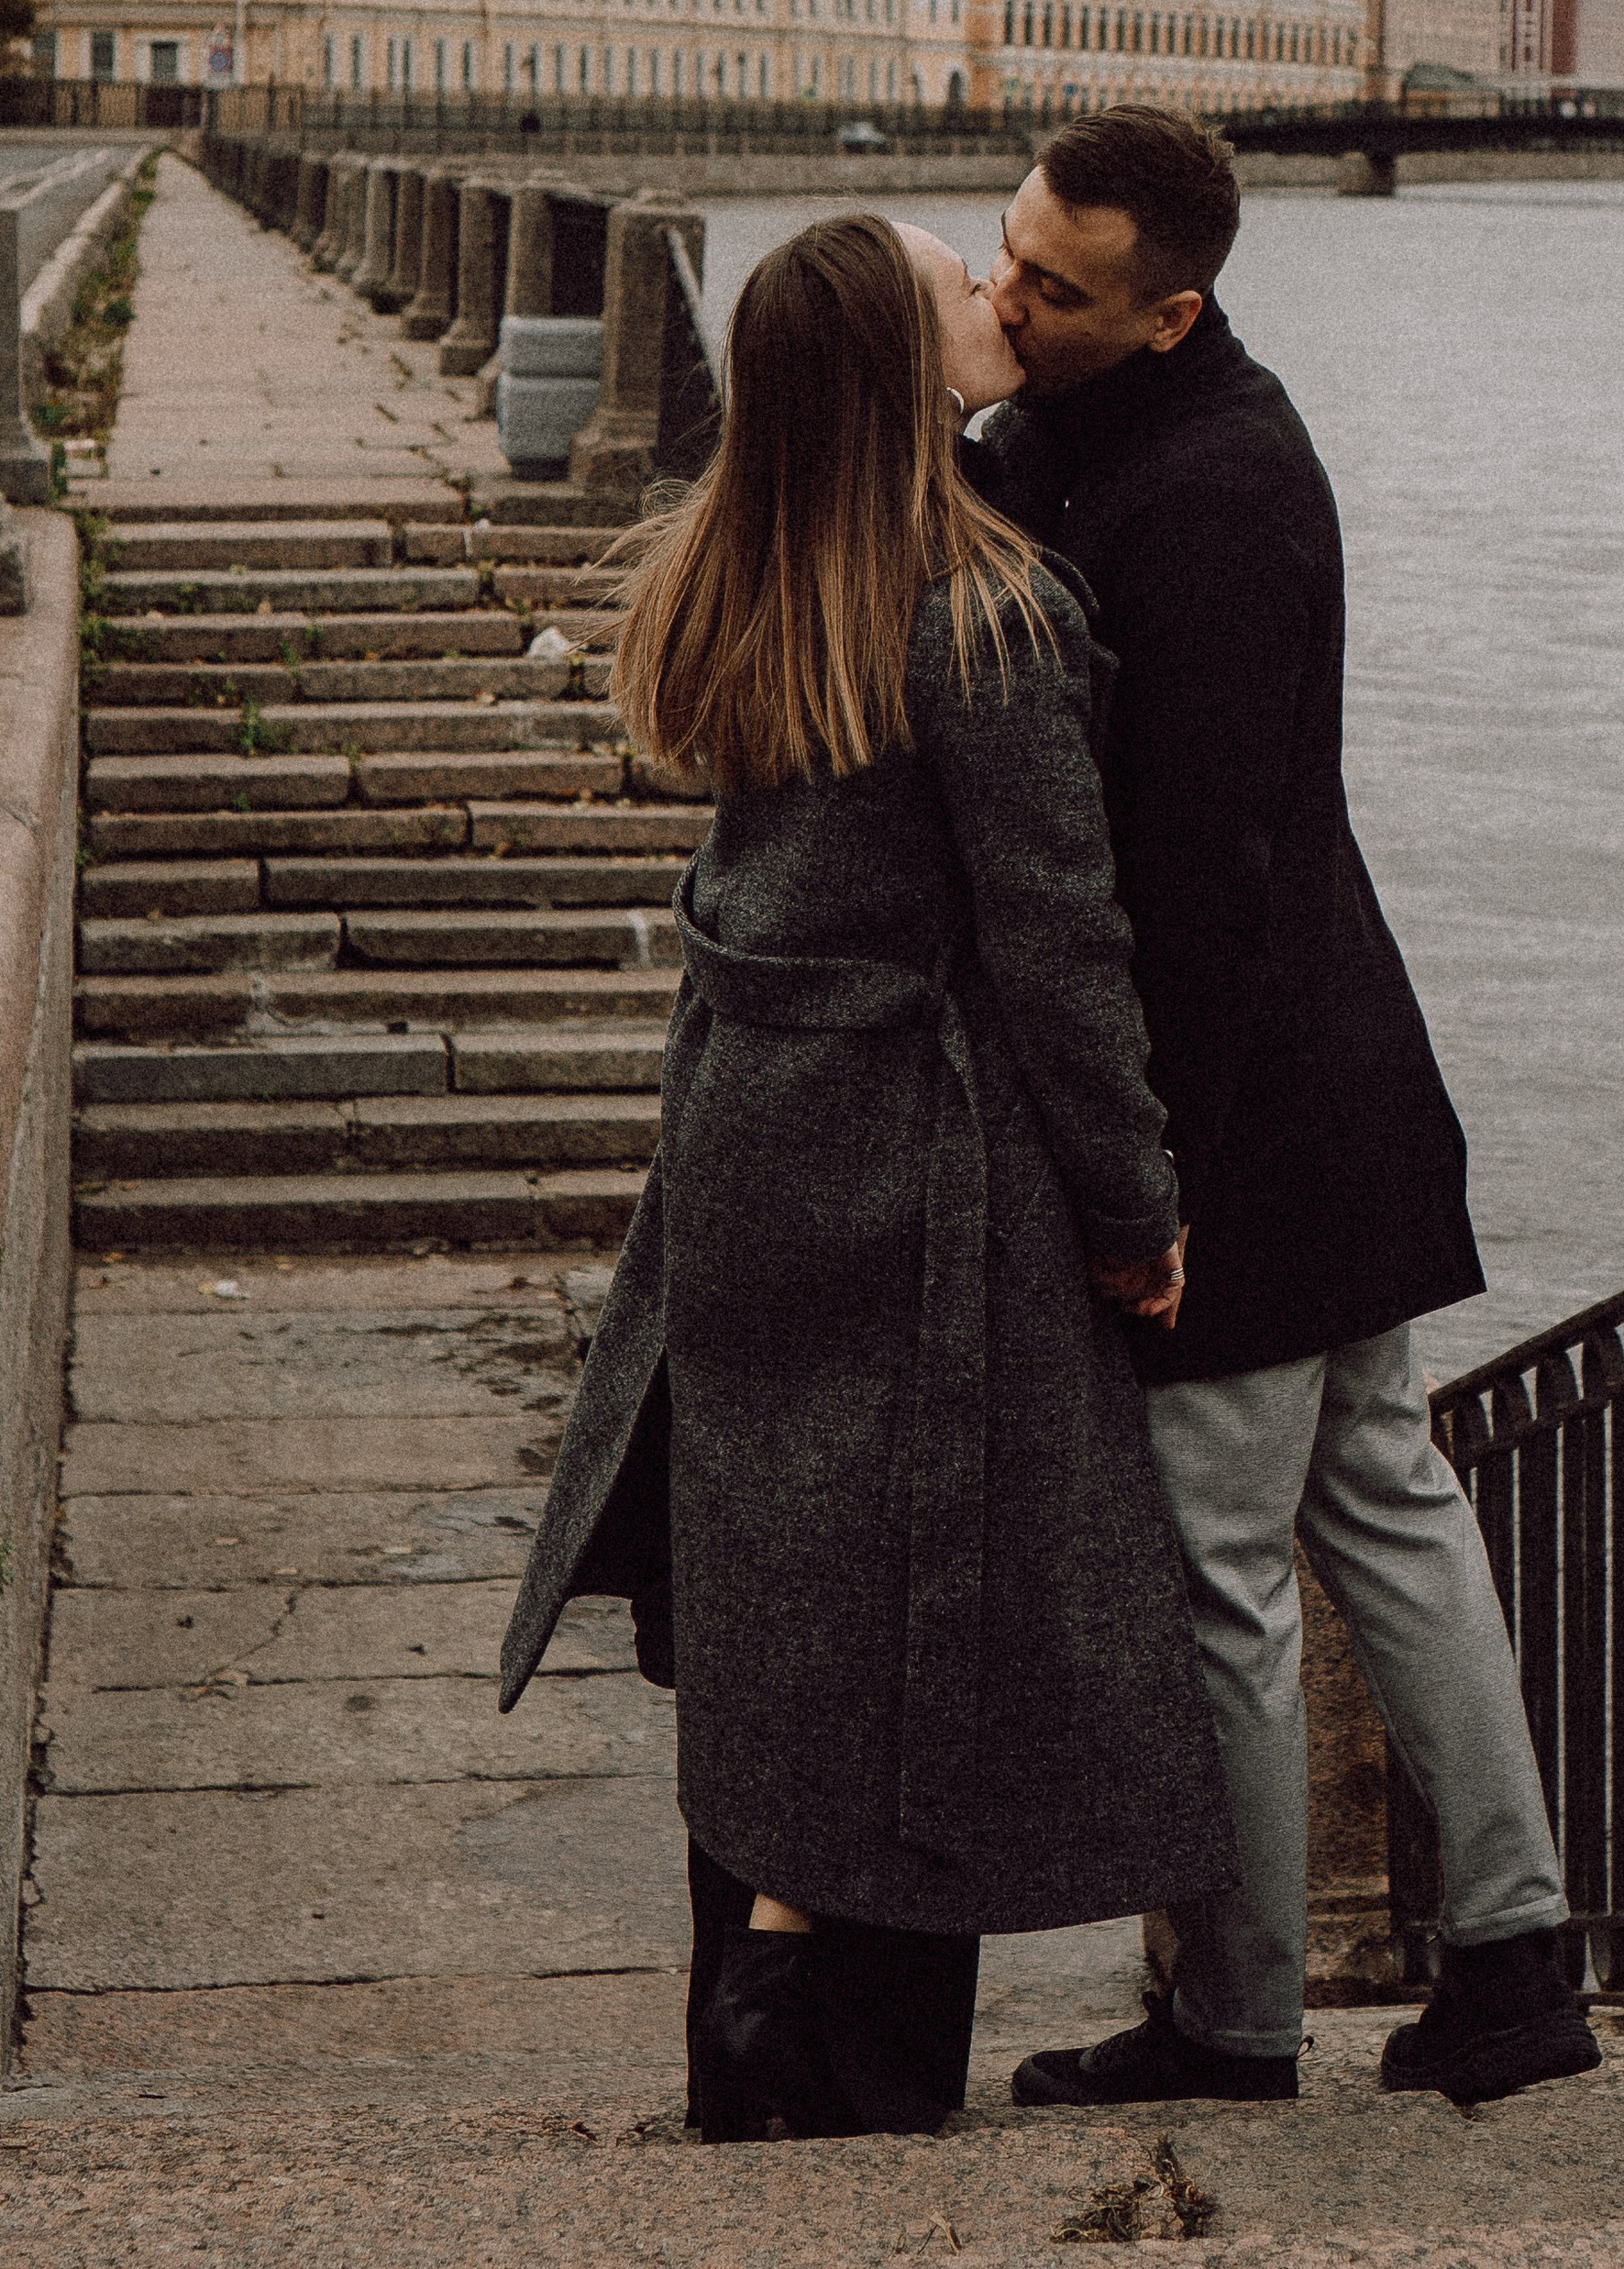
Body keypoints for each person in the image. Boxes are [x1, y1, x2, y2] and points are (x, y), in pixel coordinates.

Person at [498, 212, 1236, 2142]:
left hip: (748, 1135)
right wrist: (1134, 1206)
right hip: (916, 1161)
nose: (996, 300)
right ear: (905, 374)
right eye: (955, 289)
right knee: (926, 1596)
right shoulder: (984, 617)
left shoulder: (728, 573)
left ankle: (744, 1991)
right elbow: (1060, 950)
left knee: (775, 1583)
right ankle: (811, 2020)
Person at [971, 107, 1601, 2113]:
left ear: (1171, 311)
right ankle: (1512, 1957)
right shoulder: (1142, 434)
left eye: (1049, 289)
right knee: (1394, 1516)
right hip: (1339, 1093)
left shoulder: (1214, 496)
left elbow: (1202, 878)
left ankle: (1235, 2018)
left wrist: (1146, 1186)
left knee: (1224, 1575)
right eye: (1002, 256)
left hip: (1247, 1117)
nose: (1006, 298)